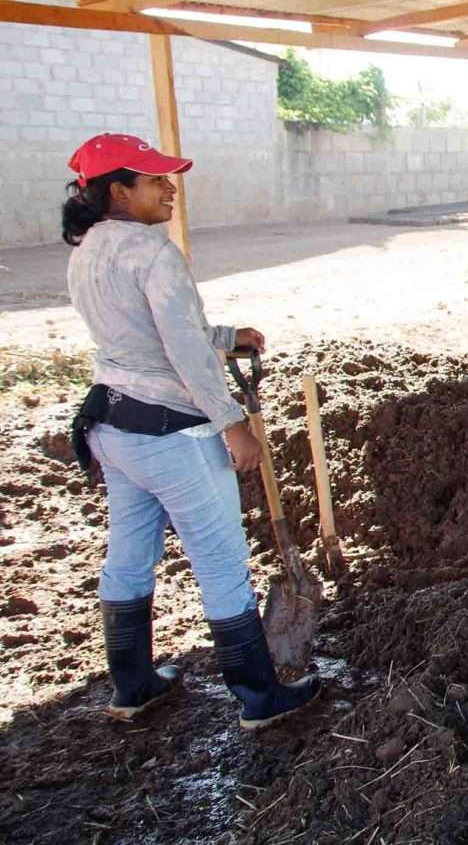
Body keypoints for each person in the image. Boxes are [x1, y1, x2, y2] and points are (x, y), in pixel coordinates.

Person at [62, 133, 320, 731]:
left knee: (128, 553)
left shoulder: (89, 250)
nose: (168, 187)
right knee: (223, 561)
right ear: (119, 192)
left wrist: (228, 335)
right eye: (154, 180)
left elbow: (147, 333)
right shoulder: (153, 252)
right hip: (173, 435)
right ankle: (260, 697)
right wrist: (234, 425)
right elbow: (181, 350)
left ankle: (132, 685)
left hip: (113, 426)